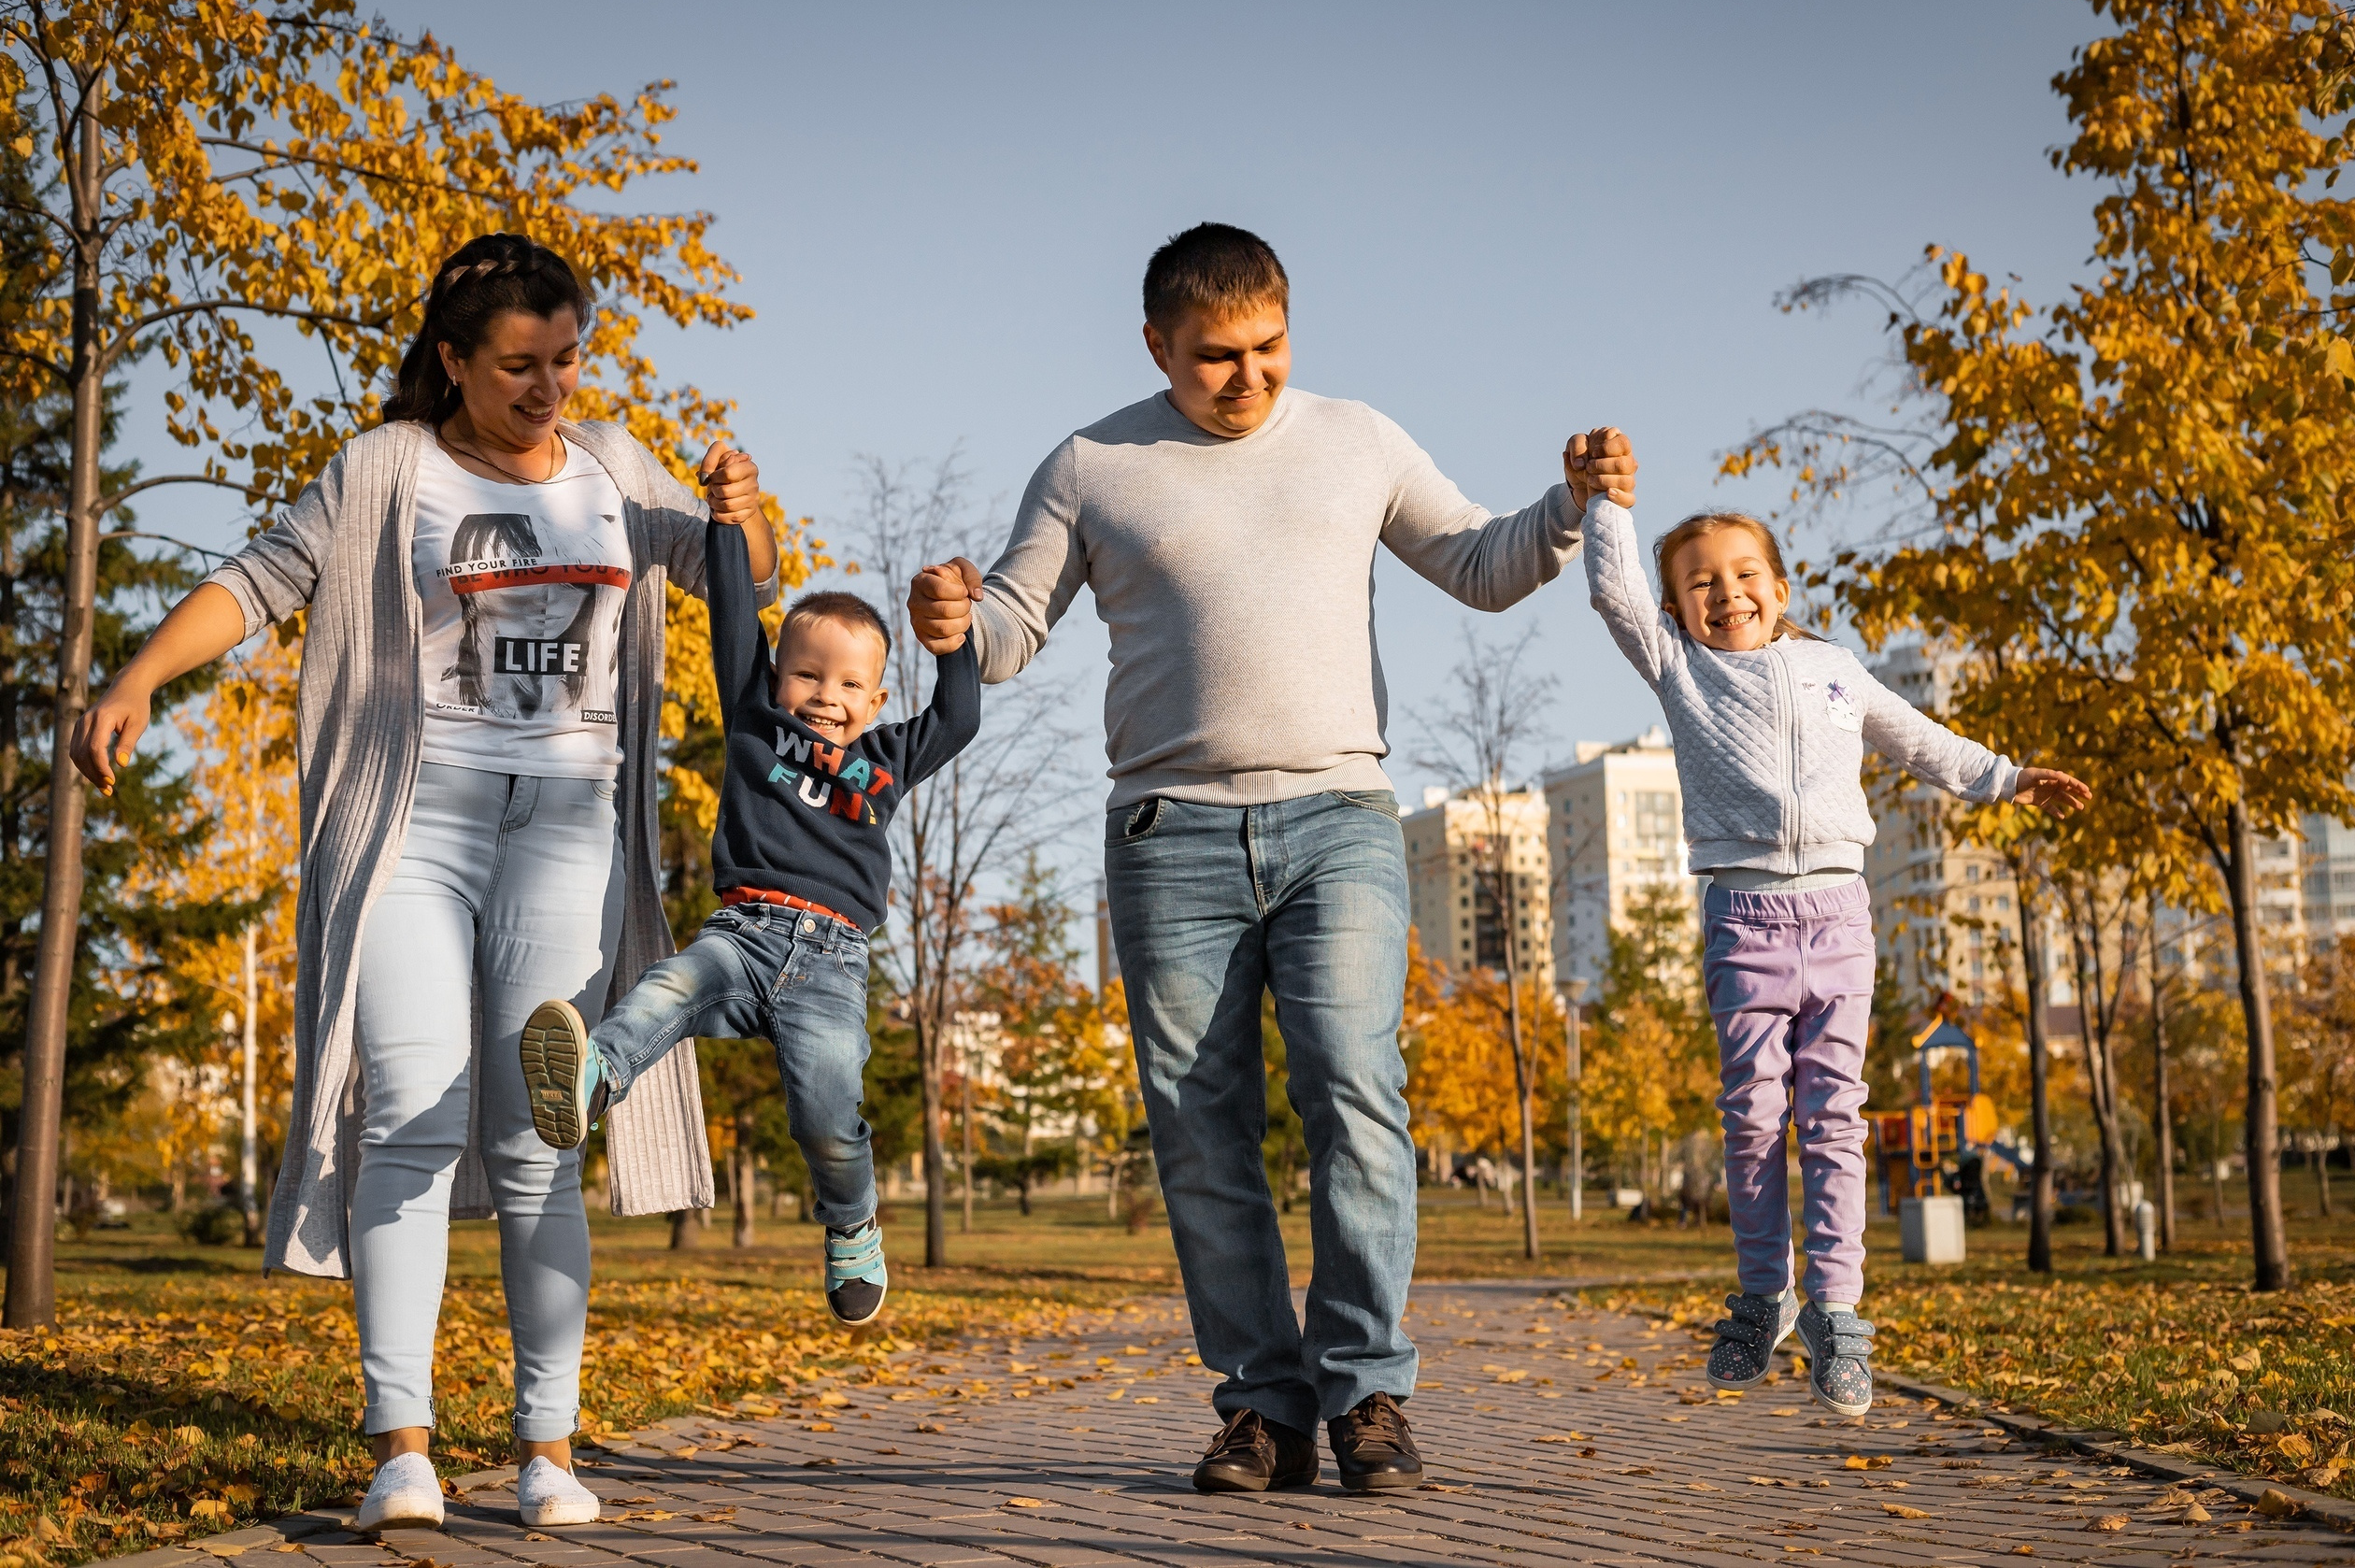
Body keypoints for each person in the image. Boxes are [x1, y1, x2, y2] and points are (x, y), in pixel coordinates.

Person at [906, 222, 1637, 1493]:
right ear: (1157, 346)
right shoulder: (1091, 464)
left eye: (1269, 347)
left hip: (1338, 819)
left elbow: (1479, 564)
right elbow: (1013, 626)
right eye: (1215, 357)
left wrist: (1568, 503)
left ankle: (1367, 1393)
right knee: (1202, 1129)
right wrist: (952, 620)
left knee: (1355, 1086)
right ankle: (1263, 1405)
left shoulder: (1358, 439)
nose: (1248, 377)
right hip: (1167, 834)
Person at [69, 233, 778, 1532]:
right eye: (518, 365)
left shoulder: (616, 467)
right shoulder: (385, 470)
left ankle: (548, 1448)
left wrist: (742, 508)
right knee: (408, 1114)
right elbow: (260, 578)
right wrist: (138, 676)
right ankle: (402, 1447)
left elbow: (743, 574)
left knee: (541, 1136)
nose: (549, 387)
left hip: (570, 833)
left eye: (566, 359)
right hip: (413, 826)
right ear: (453, 360)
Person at [1579, 492, 2091, 1417]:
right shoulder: (1680, 665)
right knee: (1752, 1117)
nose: (1726, 594)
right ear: (1675, 610)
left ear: (1779, 588)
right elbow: (1614, 592)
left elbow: (1917, 738)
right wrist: (1605, 500)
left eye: (1744, 575)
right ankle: (1762, 1294)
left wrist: (2004, 778)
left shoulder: (1835, 670)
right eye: (1700, 584)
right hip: (1745, 920)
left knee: (1833, 1120)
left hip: (1839, 916)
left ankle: (1838, 1311)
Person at [514, 519, 978, 1326]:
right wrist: (728, 520)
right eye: (807, 675)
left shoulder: (888, 761)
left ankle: (852, 1224)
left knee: (826, 1114)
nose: (825, 696)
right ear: (775, 677)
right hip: (741, 935)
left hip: (833, 961)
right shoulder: (755, 717)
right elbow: (733, 609)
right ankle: (591, 1079)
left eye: (848, 685)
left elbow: (959, 716)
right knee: (667, 988)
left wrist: (954, 639)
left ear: (876, 701)